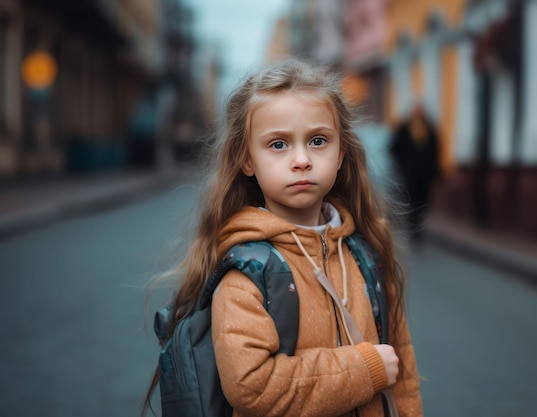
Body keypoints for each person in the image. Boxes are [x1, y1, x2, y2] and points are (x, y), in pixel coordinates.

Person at [145, 59, 423, 416]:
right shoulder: (247, 275)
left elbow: (404, 376)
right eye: (278, 144)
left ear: (341, 153)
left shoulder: (366, 257)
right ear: (247, 160)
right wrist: (365, 368)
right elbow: (251, 385)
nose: (302, 159)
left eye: (318, 140)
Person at [390, 105, 440, 238]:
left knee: (423, 198)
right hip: (410, 172)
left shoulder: (429, 129)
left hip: (424, 173)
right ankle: (413, 225)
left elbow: (435, 150)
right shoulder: (405, 128)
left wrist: (434, 169)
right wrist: (403, 164)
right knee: (411, 198)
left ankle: (419, 223)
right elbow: (395, 148)